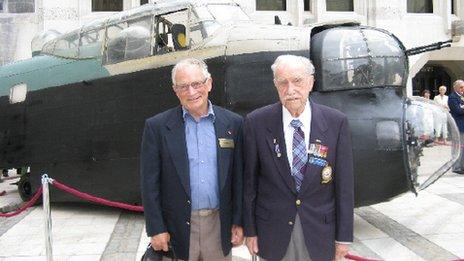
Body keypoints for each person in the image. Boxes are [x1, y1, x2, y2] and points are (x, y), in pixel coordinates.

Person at [243, 55, 354, 261]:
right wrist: (250, 230)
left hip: (320, 232)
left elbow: (344, 187)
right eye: (283, 82)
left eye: (297, 81)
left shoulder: (336, 122)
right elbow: (249, 184)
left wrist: (344, 236)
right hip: (272, 232)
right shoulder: (256, 122)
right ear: (275, 85)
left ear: (311, 82)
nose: (290, 89)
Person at [140, 58, 244, 261]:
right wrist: (156, 228)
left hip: (218, 224)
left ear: (209, 83)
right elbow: (149, 183)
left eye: (197, 83)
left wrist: (239, 221)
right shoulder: (157, 127)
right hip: (176, 228)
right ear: (175, 90)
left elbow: (239, 178)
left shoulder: (233, 123)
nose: (191, 91)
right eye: (183, 86)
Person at [448, 79, 464, 175]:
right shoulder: (452, 97)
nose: (462, 89)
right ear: (456, 87)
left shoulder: (462, 97)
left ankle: (462, 166)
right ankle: (456, 167)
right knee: (458, 148)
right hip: (458, 126)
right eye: (461, 87)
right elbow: (457, 111)